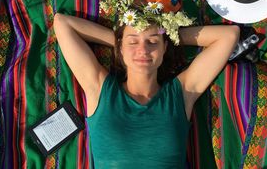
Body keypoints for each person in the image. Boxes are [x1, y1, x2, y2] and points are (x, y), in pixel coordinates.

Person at [53, 12, 240, 168]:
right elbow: (62, 23)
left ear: (165, 48)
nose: (143, 50)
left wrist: (168, 37)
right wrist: (125, 42)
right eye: (133, 43)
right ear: (120, 49)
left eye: (152, 42)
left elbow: (229, 35)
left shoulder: (181, 94)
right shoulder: (100, 89)